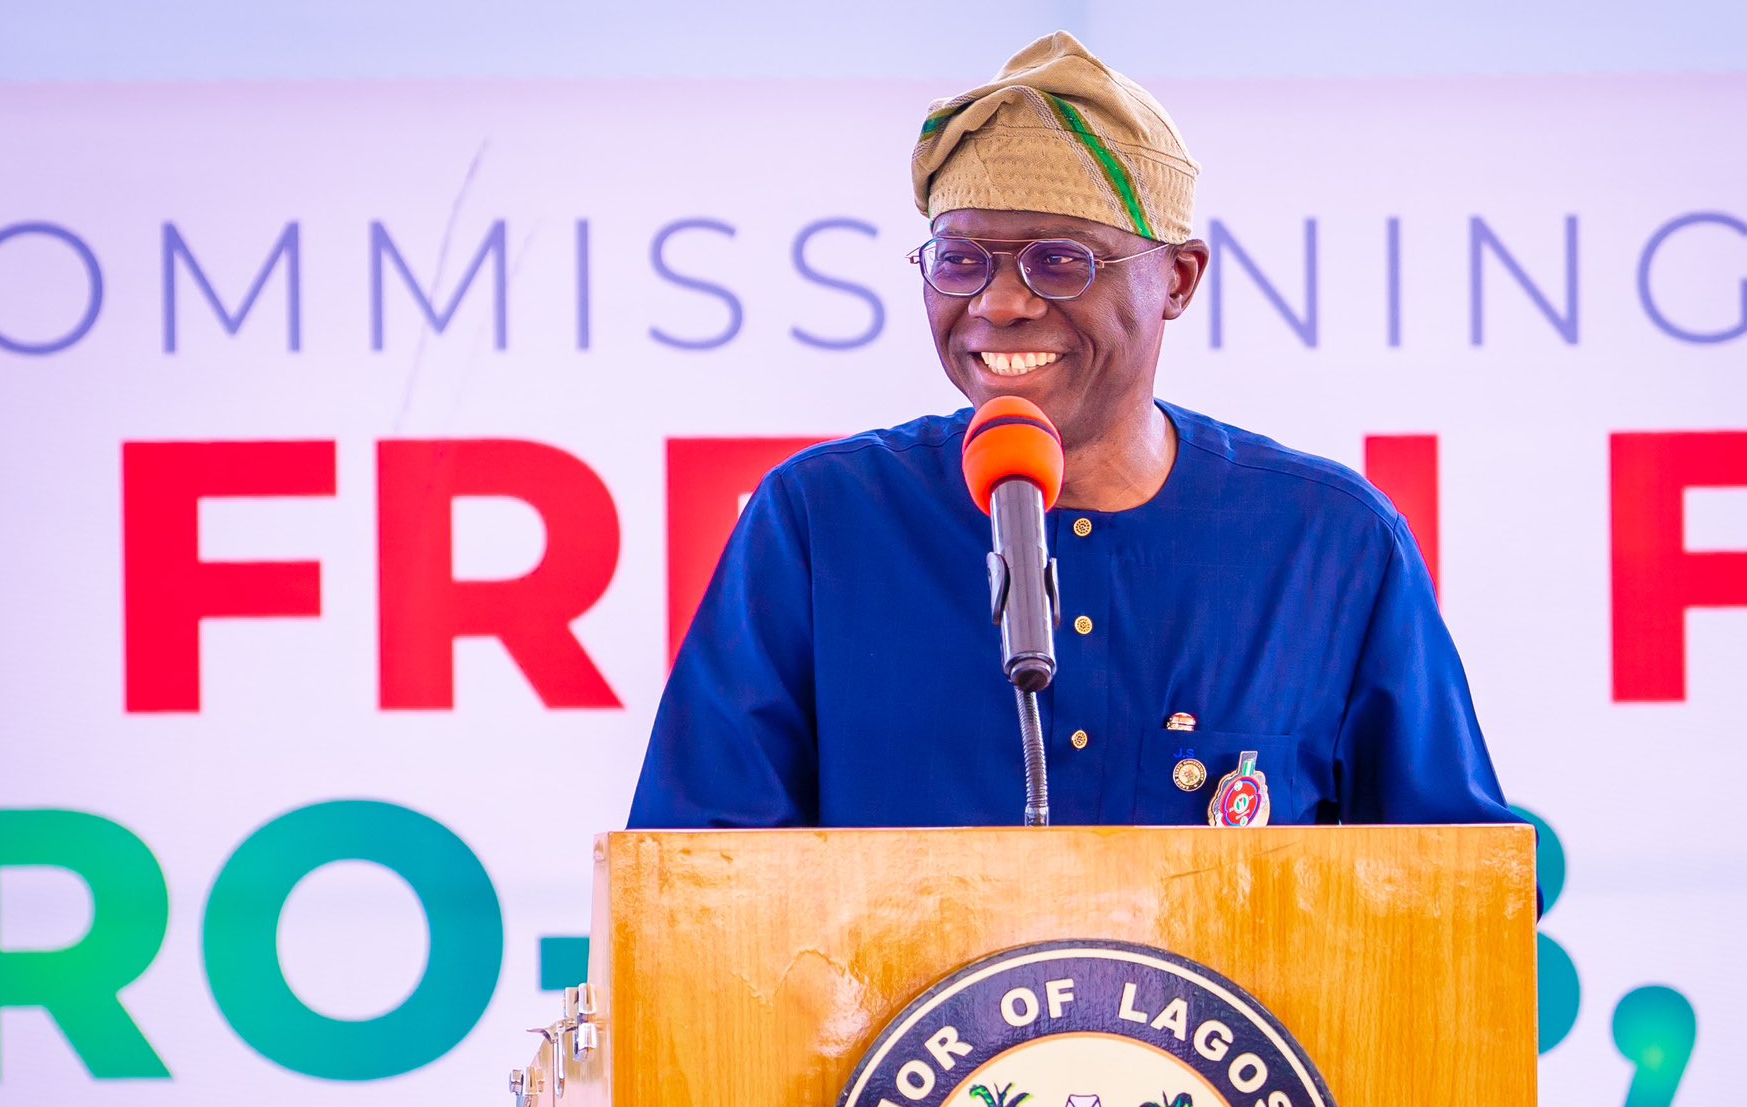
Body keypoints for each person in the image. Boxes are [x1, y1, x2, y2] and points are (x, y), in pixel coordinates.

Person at [630, 32, 1516, 831]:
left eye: (1060, 261)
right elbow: (695, 881)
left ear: (1177, 280)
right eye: (961, 260)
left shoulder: (1330, 543)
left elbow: (1455, 902)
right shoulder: (824, 522)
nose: (1000, 303)